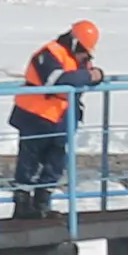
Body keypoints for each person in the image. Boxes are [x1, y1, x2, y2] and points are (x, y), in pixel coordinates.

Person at [7, 19, 101, 222]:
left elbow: (81, 79)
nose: (85, 55)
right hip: (36, 115)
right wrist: (89, 75)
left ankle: (42, 202)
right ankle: (22, 204)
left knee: (55, 162)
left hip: (61, 118)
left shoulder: (80, 60)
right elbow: (59, 81)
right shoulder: (49, 53)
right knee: (29, 161)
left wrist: (89, 75)